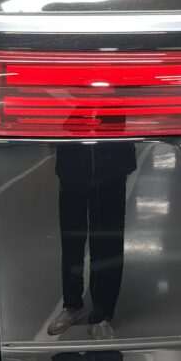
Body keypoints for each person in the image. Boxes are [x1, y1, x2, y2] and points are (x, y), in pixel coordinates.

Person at [48, 140, 137, 339]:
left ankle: (101, 314)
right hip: (72, 158)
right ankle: (72, 304)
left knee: (108, 240)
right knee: (71, 237)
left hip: (112, 160)